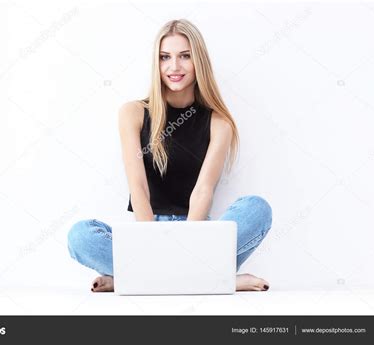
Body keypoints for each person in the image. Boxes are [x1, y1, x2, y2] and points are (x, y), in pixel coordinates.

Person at [67, 19, 272, 293]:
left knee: (257, 208)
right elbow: (138, 187)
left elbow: (203, 191)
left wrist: (187, 246)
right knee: (80, 236)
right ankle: (212, 279)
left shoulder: (219, 123)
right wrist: (151, 244)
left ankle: (140, 278)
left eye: (184, 56)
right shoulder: (133, 113)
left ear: (198, 61)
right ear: (157, 63)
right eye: (165, 57)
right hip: (147, 228)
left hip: (196, 231)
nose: (174, 67)